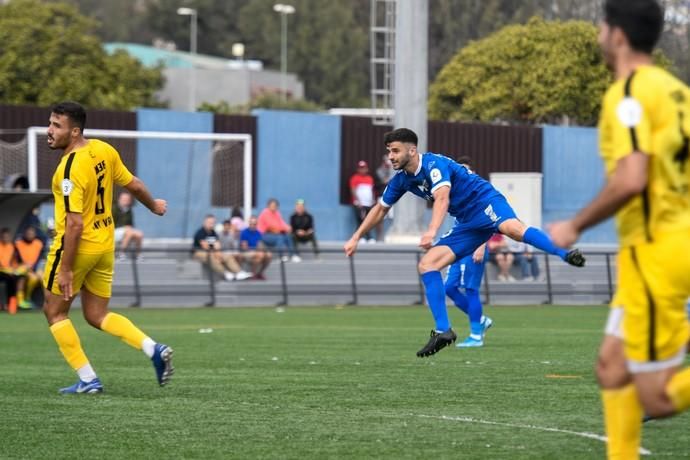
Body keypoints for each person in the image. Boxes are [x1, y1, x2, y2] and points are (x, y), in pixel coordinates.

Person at [548, 2, 690, 458]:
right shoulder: (676, 92)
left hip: (657, 251)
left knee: (658, 397)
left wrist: (574, 224)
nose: (598, 36)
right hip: (667, 244)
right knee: (612, 368)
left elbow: (631, 178)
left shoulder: (627, 93)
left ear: (618, 36)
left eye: (601, 27)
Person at [344, 128, 584, 358]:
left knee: (513, 229)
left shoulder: (433, 164)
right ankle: (443, 330)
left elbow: (442, 197)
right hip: (467, 222)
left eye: (395, 151)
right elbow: (380, 209)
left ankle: (564, 252)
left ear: (412, 150)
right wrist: (355, 237)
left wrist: (431, 231)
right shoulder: (401, 180)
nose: (390, 157)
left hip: (485, 202)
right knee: (427, 265)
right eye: (389, 151)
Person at [42, 101, 173, 394]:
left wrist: (65, 269)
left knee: (54, 312)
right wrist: (154, 205)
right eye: (50, 123)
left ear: (74, 132)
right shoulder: (103, 149)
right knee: (96, 314)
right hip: (104, 246)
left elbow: (74, 225)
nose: (49, 131)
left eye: (56, 126)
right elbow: (134, 184)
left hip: (78, 248)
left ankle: (88, 379)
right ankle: (152, 348)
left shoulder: (68, 171)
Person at [443, 156, 492, 348]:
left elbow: (490, 221)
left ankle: (476, 335)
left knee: (471, 289)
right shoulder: (454, 192)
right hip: (460, 247)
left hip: (474, 247)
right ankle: (481, 320)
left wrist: (481, 245)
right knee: (449, 287)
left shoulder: (478, 192)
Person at [192, 215, 252, 281]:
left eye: (213, 223)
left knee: (226, 256)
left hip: (212, 251)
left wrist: (219, 253)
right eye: (209, 223)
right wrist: (215, 253)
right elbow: (205, 246)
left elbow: (217, 244)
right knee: (210, 256)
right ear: (205, 222)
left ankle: (239, 272)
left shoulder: (213, 233)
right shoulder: (200, 232)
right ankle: (225, 273)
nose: (211, 225)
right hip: (199, 252)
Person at [257, 198, 300, 262]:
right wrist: (283, 229)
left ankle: (293, 255)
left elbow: (281, 222)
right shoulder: (265, 213)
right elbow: (271, 226)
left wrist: (288, 227)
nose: (274, 207)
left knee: (288, 236)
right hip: (264, 235)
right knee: (280, 237)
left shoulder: (277, 213)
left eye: (275, 206)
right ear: (268, 206)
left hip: (274, 233)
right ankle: (281, 255)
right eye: (272, 206)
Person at [14, 226, 44, 309]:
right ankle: (21, 300)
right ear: (24, 234)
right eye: (28, 233)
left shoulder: (39, 244)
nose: (30, 235)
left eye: (32, 233)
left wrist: (34, 268)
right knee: (22, 277)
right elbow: (16, 258)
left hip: (35, 268)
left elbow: (40, 258)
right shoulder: (18, 243)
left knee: (38, 278)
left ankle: (29, 299)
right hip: (21, 268)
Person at [349, 160, 377, 243]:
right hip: (359, 204)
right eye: (360, 168)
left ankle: (368, 237)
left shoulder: (370, 178)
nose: (362, 170)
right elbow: (353, 190)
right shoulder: (354, 178)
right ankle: (360, 237)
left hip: (368, 204)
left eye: (364, 168)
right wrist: (358, 201)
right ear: (358, 169)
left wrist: (373, 200)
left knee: (367, 221)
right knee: (360, 220)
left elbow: (371, 190)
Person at [112, 190, 144, 261]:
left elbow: (130, 224)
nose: (125, 201)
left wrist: (128, 228)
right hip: (113, 231)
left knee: (139, 234)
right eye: (124, 199)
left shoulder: (129, 211)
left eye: (127, 199)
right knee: (129, 232)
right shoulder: (114, 209)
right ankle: (121, 253)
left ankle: (138, 255)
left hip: (126, 231)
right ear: (119, 199)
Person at [239, 216, 272, 280]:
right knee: (260, 255)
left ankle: (259, 273)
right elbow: (244, 247)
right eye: (251, 224)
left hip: (257, 252)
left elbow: (260, 245)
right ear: (249, 223)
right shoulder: (244, 232)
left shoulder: (259, 233)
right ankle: (253, 274)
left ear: (256, 224)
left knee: (269, 255)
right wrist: (257, 249)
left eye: (254, 224)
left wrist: (260, 248)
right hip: (246, 252)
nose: (252, 225)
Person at [0, 227, 22, 313]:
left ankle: (11, 306)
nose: (5, 238)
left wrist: (14, 269)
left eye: (7, 236)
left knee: (13, 279)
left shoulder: (13, 247)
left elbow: (18, 261)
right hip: (1, 271)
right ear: (1, 237)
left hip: (9, 272)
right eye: (4, 236)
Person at [375, 154, 396, 241]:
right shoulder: (380, 170)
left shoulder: (394, 170)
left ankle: (390, 236)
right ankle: (380, 237)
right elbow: (385, 180)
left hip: (393, 197)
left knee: (392, 217)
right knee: (380, 217)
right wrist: (389, 170)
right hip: (382, 196)